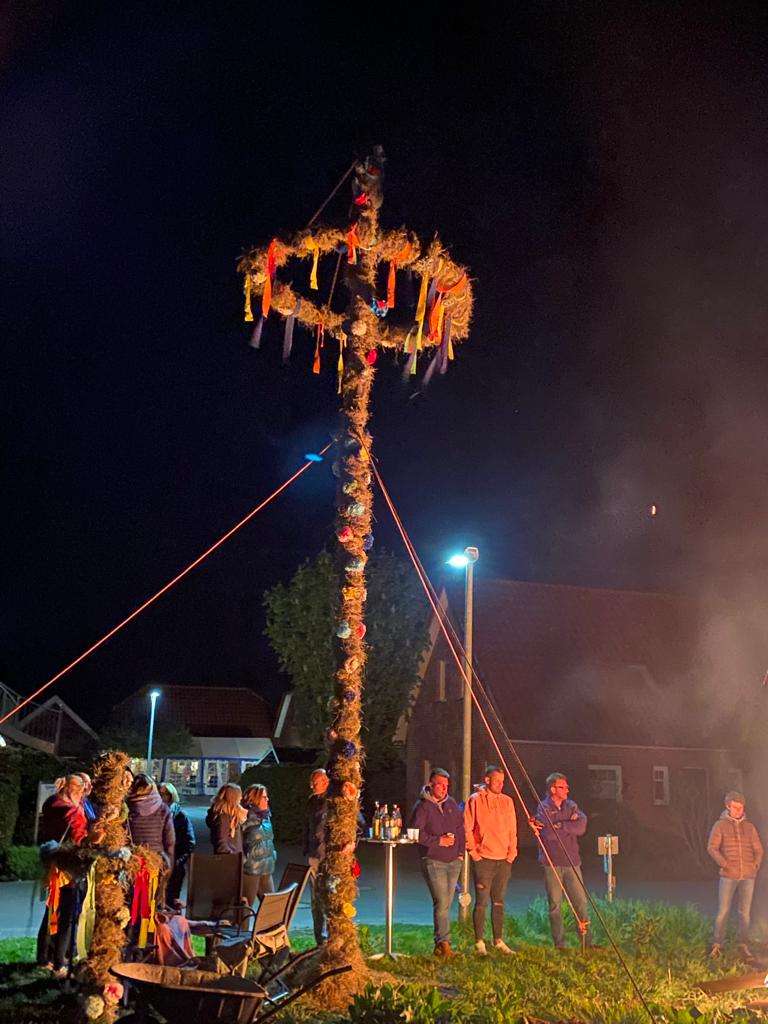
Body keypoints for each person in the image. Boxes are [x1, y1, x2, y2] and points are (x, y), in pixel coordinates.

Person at [409, 768, 466, 957]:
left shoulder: (451, 804)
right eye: (440, 785)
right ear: (431, 784)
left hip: (453, 861)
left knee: (446, 903)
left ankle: (439, 946)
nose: (444, 788)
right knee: (441, 902)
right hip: (433, 860)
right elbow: (415, 833)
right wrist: (437, 841)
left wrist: (460, 853)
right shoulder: (423, 806)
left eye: (446, 785)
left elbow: (460, 829)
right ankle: (445, 943)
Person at [532, 772, 591, 949]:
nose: (567, 789)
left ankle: (586, 942)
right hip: (552, 862)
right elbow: (548, 834)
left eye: (567, 786)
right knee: (555, 905)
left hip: (572, 861)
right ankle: (560, 943)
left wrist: (561, 824)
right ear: (552, 789)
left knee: (580, 902)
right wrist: (566, 825)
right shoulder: (543, 808)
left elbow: (581, 826)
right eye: (562, 787)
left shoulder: (571, 805)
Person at [37, 774, 88, 976]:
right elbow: (79, 839)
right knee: (66, 915)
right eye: (80, 788)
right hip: (68, 868)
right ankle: (60, 961)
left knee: (51, 911)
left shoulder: (52, 802)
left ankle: (43, 957)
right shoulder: (70, 810)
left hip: (54, 865)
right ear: (71, 788)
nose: (82, 791)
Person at [464, 764, 517, 955]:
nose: (500, 785)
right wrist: (475, 853)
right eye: (497, 781)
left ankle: (498, 940)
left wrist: (512, 853)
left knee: (499, 901)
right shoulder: (475, 800)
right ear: (487, 780)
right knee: (481, 902)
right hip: (484, 858)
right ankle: (479, 942)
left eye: (503, 782)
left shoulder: (507, 801)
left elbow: (513, 828)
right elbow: (467, 827)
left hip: (504, 859)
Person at [707, 789, 763, 958]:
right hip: (728, 876)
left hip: (748, 876)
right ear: (728, 807)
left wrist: (755, 865)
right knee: (723, 911)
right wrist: (724, 864)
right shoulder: (720, 825)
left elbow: (759, 849)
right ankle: (717, 945)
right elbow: (712, 847)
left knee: (744, 913)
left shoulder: (750, 827)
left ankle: (743, 944)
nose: (739, 811)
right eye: (736, 807)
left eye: (741, 808)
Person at [303, 768, 330, 945]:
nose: (312, 785)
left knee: (329, 896)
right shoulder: (312, 801)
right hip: (314, 854)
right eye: (312, 782)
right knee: (315, 898)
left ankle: (330, 937)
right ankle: (319, 938)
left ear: (326, 782)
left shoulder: (333, 801)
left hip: (328, 855)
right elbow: (308, 824)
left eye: (316, 782)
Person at [159, 782, 196, 906]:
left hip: (175, 865)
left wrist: (179, 860)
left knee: (172, 899)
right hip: (158, 862)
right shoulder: (155, 813)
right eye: (160, 793)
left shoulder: (180, 816)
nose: (163, 797)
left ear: (172, 795)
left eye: (166, 794)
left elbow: (190, 841)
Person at [241, 784, 277, 905]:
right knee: (246, 907)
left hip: (267, 867)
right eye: (264, 797)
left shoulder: (266, 816)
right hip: (251, 869)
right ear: (254, 799)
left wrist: (273, 855)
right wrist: (245, 860)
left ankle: (269, 925)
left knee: (271, 908)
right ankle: (241, 925)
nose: (267, 800)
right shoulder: (245, 816)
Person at [206, 782, 247, 855]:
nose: (241, 798)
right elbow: (222, 845)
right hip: (229, 862)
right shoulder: (223, 817)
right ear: (233, 798)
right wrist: (235, 857)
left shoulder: (232, 815)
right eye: (239, 796)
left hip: (231, 860)